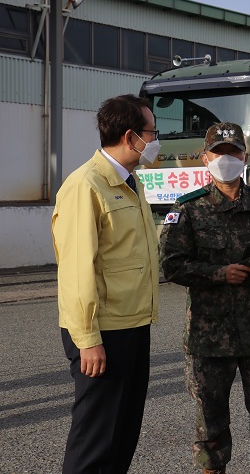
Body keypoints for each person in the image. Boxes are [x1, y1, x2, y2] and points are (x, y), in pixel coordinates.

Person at [159, 122, 250, 474]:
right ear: (206, 158)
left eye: (233, 153)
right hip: (210, 336)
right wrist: (220, 274)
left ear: (245, 157)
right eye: (219, 154)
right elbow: (171, 264)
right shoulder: (188, 209)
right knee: (210, 425)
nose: (227, 160)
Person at [52, 94, 161, 472]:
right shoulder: (87, 185)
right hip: (104, 333)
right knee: (95, 438)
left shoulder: (130, 182)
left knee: (122, 433)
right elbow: (77, 269)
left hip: (132, 324)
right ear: (131, 138)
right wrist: (88, 341)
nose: (156, 141)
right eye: (152, 132)